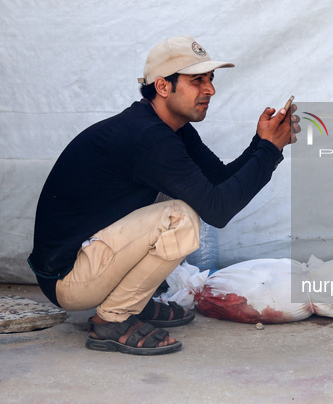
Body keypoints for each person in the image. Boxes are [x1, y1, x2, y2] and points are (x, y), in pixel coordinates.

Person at [27, 35, 300, 355]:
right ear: (162, 86)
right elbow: (218, 209)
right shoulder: (146, 137)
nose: (210, 89)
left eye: (210, 79)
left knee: (185, 202)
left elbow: (219, 181)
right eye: (197, 80)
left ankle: (132, 303)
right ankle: (113, 319)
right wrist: (269, 150)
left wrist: (261, 144)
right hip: (68, 280)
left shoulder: (169, 128)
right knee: (180, 217)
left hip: (87, 263)